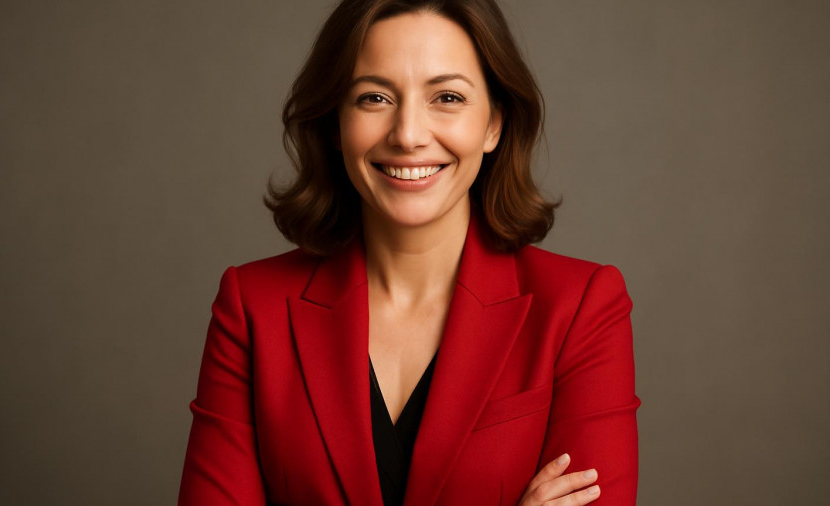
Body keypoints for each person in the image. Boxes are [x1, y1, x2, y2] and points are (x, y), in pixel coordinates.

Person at [179, 0, 641, 504]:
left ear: (494, 124)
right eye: (374, 98)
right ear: (335, 123)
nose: (409, 135)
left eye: (446, 96)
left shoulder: (580, 307)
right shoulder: (252, 308)